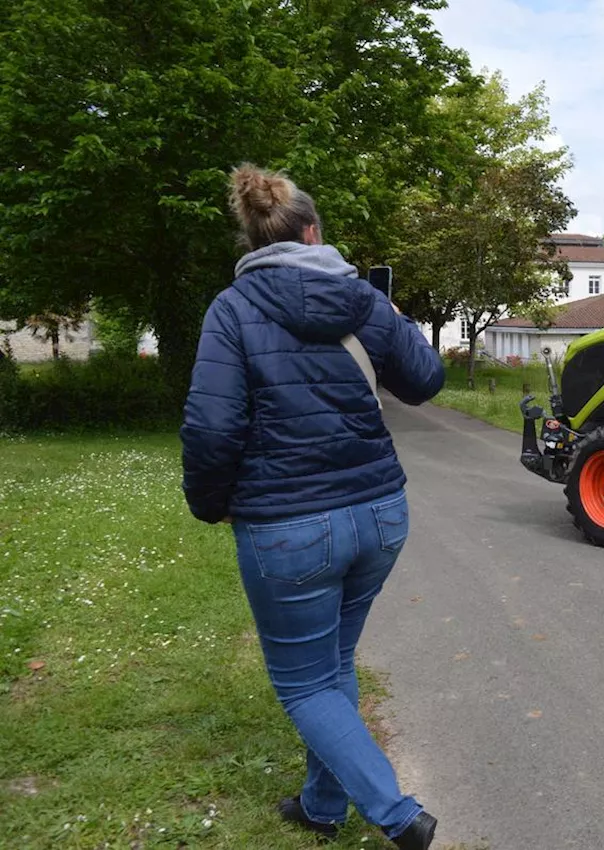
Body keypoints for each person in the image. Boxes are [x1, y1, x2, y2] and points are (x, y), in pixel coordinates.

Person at [180, 164, 446, 848]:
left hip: (289, 530)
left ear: (253, 239)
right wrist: (390, 310)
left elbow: (213, 429)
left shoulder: (232, 311)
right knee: (332, 666)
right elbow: (426, 378)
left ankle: (396, 817)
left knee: (305, 685)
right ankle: (323, 808)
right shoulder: (361, 300)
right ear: (313, 231)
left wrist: (210, 506)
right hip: (381, 514)